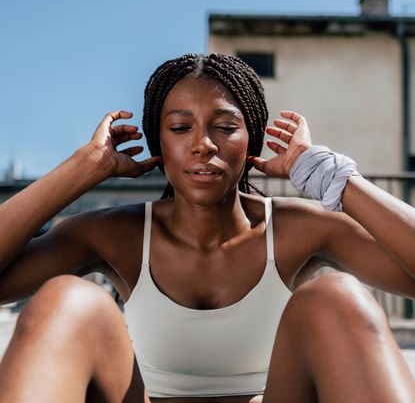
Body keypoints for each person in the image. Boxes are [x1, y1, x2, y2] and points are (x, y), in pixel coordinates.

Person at [0, 53, 415, 403]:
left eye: (225, 127)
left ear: (251, 141)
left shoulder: (297, 229)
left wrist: (327, 175)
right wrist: (86, 166)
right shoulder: (115, 234)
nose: (204, 144)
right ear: (158, 143)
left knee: (338, 297)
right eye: (181, 128)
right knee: (66, 299)